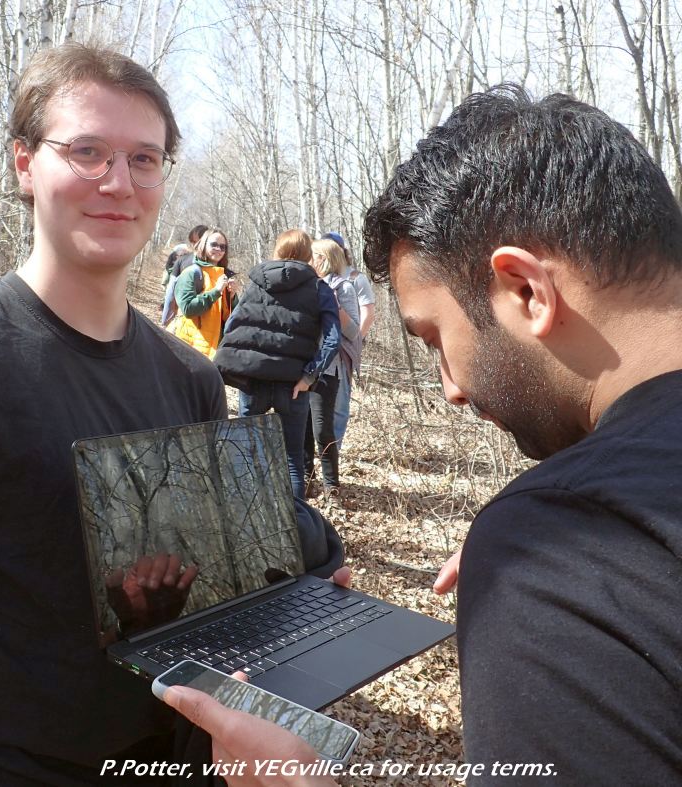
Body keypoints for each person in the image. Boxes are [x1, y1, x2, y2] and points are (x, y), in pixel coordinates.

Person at [163, 84, 682, 784]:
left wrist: (549, 558)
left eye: (435, 336)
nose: (451, 387)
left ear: (526, 291)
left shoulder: (557, 562)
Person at [0, 43, 232, 785]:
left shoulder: (193, 381)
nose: (118, 181)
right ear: (23, 163)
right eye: (87, 151)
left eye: (145, 158)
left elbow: (201, 604)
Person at [213, 230, 340, 499]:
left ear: (278, 250)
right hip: (293, 385)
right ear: (307, 254)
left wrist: (240, 366)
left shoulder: (257, 283)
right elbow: (333, 339)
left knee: (247, 454)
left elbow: (234, 324)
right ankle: (295, 528)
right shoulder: (319, 288)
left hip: (253, 380)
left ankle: (249, 518)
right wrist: (309, 377)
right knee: (293, 461)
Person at [304, 238, 360, 495]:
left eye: (312, 256)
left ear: (324, 259)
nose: (308, 260)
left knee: (322, 427)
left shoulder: (344, 288)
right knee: (302, 425)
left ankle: (331, 485)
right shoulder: (306, 285)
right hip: (303, 363)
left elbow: (353, 331)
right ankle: (305, 476)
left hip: (329, 366)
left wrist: (334, 307)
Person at [320, 232, 374, 446]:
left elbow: (368, 313)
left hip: (344, 348)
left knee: (339, 405)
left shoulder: (355, 278)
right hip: (321, 348)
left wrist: (354, 341)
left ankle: (335, 449)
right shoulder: (320, 277)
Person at [171, 227, 236, 358]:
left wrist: (233, 297)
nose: (218, 249)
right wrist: (216, 291)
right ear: (203, 244)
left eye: (222, 247)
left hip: (213, 349)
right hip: (188, 346)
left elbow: (229, 318)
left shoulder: (223, 276)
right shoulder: (192, 273)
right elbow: (188, 309)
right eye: (214, 245)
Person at [161, 224, 208, 325]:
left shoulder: (183, 260)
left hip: (190, 316)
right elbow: (171, 290)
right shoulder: (216, 262)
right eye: (192, 242)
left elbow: (171, 291)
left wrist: (165, 320)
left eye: (196, 242)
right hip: (192, 316)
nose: (193, 245)